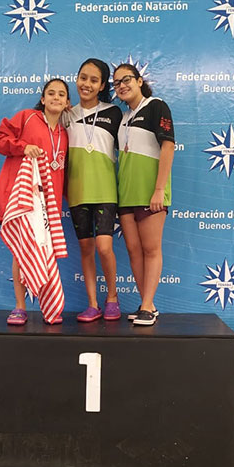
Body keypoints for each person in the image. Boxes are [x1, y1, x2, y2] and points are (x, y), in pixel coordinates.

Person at [0, 78, 69, 325]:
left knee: (45, 251)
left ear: (67, 103)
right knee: (21, 250)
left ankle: (49, 307)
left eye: (61, 94)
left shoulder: (65, 134)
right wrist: (23, 147)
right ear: (43, 99)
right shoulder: (27, 117)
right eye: (51, 93)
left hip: (49, 205)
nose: (56, 97)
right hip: (22, 197)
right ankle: (20, 306)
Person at [113, 63, 175, 326]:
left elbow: (168, 147)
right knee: (133, 251)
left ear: (139, 81)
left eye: (126, 79)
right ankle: (146, 304)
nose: (121, 85)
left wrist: (159, 190)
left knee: (151, 249)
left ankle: (147, 305)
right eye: (116, 83)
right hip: (126, 194)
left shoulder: (156, 105)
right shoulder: (124, 117)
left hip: (151, 193)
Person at [66, 59, 122, 322]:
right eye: (83, 77)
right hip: (77, 191)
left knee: (103, 246)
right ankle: (92, 304)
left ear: (101, 86)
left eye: (93, 80)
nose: (86, 84)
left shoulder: (114, 113)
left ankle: (112, 297)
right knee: (86, 248)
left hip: (105, 190)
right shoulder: (66, 114)